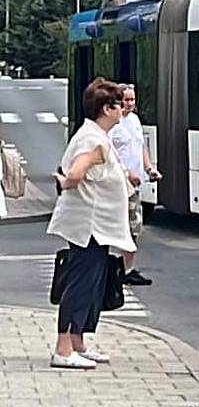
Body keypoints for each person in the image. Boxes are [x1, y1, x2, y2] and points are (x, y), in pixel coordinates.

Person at [46, 78, 135, 370]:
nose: (123, 110)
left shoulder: (95, 135)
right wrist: (64, 181)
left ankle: (77, 342)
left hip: (96, 226)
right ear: (106, 109)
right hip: (89, 227)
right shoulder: (93, 140)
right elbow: (76, 173)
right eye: (119, 105)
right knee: (80, 283)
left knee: (91, 283)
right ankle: (63, 348)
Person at [108, 84, 161, 285]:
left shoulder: (135, 120)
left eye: (133, 99)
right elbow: (108, 152)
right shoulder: (113, 124)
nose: (130, 103)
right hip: (118, 184)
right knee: (122, 227)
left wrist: (149, 168)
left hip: (134, 185)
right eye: (126, 100)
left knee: (133, 227)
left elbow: (141, 147)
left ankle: (126, 268)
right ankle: (120, 269)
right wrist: (126, 172)